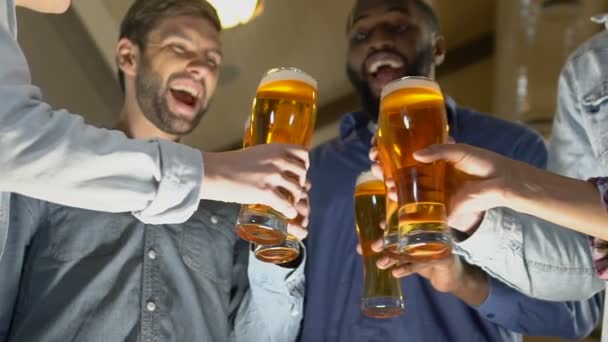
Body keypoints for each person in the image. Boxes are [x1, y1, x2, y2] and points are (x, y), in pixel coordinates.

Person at [0, 1, 307, 341]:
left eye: (213, 61)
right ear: (128, 56)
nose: (201, 69)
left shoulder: (234, 213)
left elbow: (264, 337)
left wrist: (279, 251)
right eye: (179, 46)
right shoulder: (48, 171)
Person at [300, 0, 601, 341]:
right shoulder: (314, 169)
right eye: (361, 34)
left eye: (399, 27)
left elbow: (577, 313)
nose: (377, 41)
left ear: (438, 46)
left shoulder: (512, 147)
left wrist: (462, 279)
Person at [389, 14, 608, 337]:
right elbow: (584, 270)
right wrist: (476, 221)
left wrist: (513, 183)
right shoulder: (587, 68)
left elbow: (574, 316)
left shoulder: (519, 141)